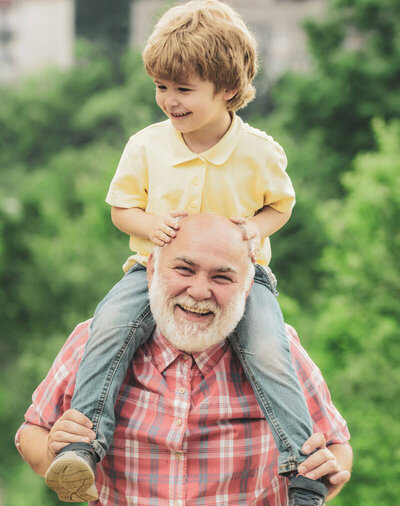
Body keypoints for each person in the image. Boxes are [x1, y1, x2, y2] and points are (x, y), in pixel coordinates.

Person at [38, 1, 330, 504]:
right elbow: (121, 210)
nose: (169, 101)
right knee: (109, 326)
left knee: (267, 348)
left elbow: (281, 208)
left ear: (229, 90)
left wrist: (252, 230)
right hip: (153, 270)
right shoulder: (147, 146)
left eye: (184, 89)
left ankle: (301, 467)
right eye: (161, 87)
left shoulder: (260, 152)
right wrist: (150, 224)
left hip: (241, 279)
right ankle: (84, 445)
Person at [16, 215, 352, 505]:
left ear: (248, 286)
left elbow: (337, 447)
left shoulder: (278, 351)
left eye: (221, 277)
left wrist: (326, 477)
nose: (199, 291)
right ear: (151, 270)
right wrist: (52, 450)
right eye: (184, 269)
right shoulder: (96, 340)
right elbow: (32, 432)